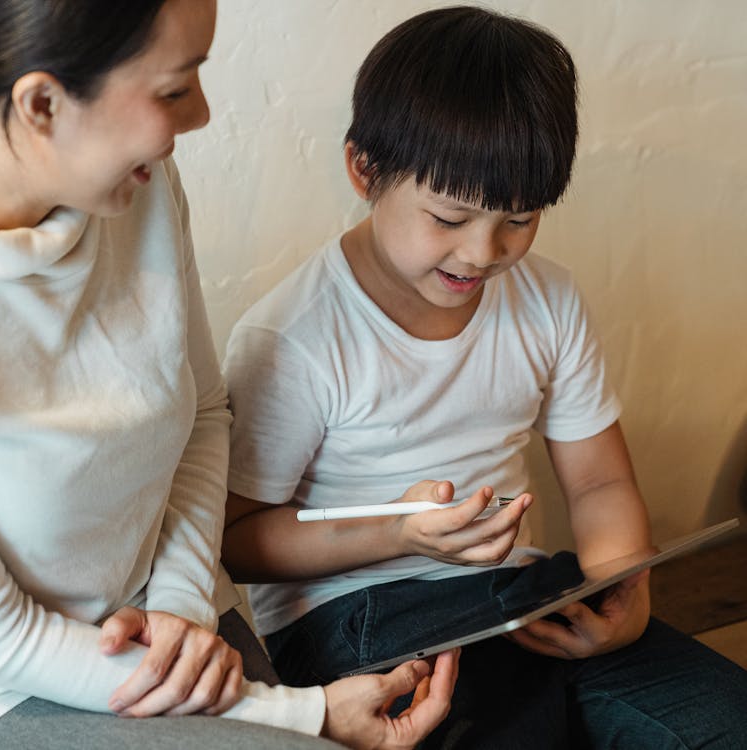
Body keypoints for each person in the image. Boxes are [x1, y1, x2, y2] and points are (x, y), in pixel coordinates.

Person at [0, 1, 460, 748]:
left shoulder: (139, 189)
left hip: (170, 623)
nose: (198, 115)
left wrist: (180, 610)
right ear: (41, 103)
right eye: (173, 89)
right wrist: (304, 715)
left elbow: (200, 413)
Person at [221, 6, 747, 749]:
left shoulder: (548, 298)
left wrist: (620, 591)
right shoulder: (296, 337)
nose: (481, 251)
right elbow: (237, 539)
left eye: (518, 219)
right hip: (359, 615)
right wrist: (397, 531)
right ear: (363, 169)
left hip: (521, 596)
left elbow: (598, 484)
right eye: (448, 217)